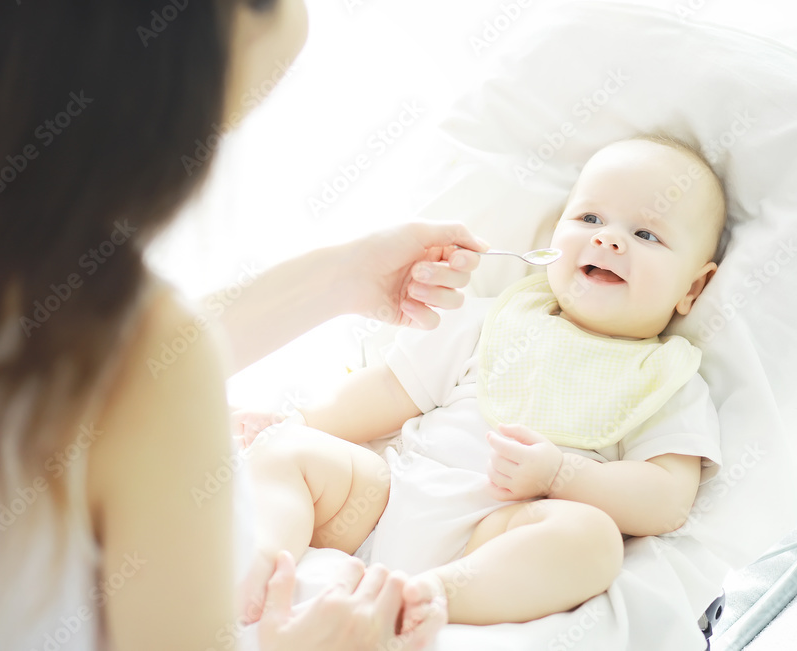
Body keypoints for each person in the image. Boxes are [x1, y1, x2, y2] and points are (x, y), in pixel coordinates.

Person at [0, 0, 484, 649]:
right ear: (238, 15)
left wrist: (341, 277)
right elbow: (125, 379)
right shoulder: (146, 355)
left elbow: (70, 376)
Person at [235, 135, 726, 631]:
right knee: (285, 448)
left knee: (592, 539)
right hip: (386, 499)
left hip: (495, 537)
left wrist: (560, 475)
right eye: (590, 219)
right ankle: (259, 561)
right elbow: (391, 387)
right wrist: (301, 421)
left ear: (692, 288)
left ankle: (429, 597)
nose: (608, 240)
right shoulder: (491, 321)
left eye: (646, 235)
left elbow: (667, 500)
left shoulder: (670, 383)